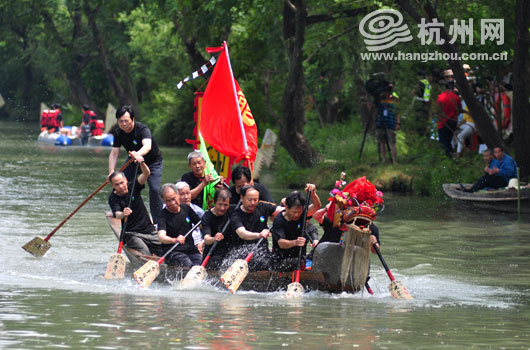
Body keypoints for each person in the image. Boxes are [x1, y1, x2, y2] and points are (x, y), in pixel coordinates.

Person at [108, 105, 163, 224]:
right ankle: (120, 211)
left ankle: (158, 222)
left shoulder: (142, 129)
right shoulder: (118, 133)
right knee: (119, 182)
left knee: (154, 189)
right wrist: (111, 171)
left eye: (126, 120)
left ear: (132, 119)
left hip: (153, 162)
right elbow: (114, 154)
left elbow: (147, 146)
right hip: (132, 161)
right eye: (120, 121)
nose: (124, 124)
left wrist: (138, 155)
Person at [108, 154, 161, 257]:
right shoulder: (113, 197)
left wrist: (142, 163)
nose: (121, 186)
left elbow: (146, 173)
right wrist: (123, 214)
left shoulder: (133, 186)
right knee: (145, 252)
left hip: (149, 230)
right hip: (132, 234)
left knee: (166, 247)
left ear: (126, 180)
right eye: (117, 185)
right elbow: (117, 214)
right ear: (113, 186)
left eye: (122, 183)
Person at [229, 186, 284, 271]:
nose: (253, 203)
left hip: (262, 253)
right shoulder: (236, 215)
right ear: (242, 198)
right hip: (242, 254)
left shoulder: (263, 206)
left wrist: (290, 205)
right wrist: (259, 235)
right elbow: (242, 233)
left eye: (255, 199)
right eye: (250, 200)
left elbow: (286, 211)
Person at [271, 184, 321, 271]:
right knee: (296, 262)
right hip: (280, 260)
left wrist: (313, 193)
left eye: (299, 211)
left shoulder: (302, 213)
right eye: (294, 212)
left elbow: (316, 206)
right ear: (286, 207)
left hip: (299, 258)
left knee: (301, 261)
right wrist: (295, 242)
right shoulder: (279, 220)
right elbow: (281, 243)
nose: (297, 215)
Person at [157, 183, 202, 267]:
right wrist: (174, 240)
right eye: (168, 201)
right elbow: (161, 237)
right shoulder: (162, 216)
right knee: (187, 264)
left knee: (201, 263)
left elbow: (201, 224)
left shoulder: (186, 208)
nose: (172, 203)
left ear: (177, 195)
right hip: (173, 252)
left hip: (191, 250)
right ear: (163, 201)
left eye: (174, 198)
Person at [201, 188, 238, 269]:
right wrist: (214, 238)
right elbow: (206, 239)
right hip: (213, 253)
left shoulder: (234, 209)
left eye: (225, 205)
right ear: (214, 202)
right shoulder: (207, 217)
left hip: (229, 251)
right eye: (220, 204)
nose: (222, 208)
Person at [175, 181, 205, 254]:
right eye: (182, 194)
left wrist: (203, 242)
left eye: (188, 193)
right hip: (179, 245)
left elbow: (207, 229)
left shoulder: (199, 211)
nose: (186, 197)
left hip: (198, 245)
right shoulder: (168, 210)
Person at [436, 80, 461, 156]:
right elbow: (459, 109)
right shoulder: (456, 98)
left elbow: (438, 111)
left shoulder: (440, 97)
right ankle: (449, 157)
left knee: (443, 142)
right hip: (453, 122)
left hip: (442, 123)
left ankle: (447, 158)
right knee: (449, 141)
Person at [375, 88, 400, 164]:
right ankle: (384, 159)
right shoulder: (379, 99)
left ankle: (395, 161)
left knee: (392, 142)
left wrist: (398, 123)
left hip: (391, 124)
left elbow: (398, 111)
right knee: (382, 142)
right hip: (381, 123)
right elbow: (373, 108)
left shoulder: (394, 99)